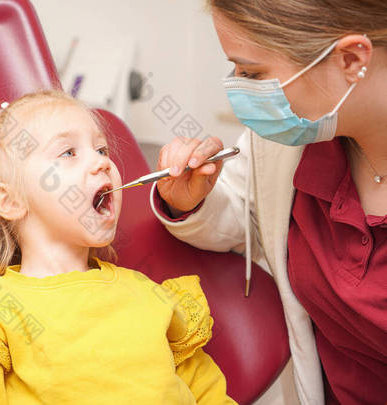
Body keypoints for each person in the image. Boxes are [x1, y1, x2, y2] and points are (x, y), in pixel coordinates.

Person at [0, 89, 237, 404]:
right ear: (10, 200)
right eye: (68, 152)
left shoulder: (150, 295)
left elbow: (208, 393)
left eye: (102, 149)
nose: (103, 162)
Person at [151, 1, 386, 404]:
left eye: (253, 73)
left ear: (351, 59)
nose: (240, 89)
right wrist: (192, 201)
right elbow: (246, 213)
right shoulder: (296, 138)